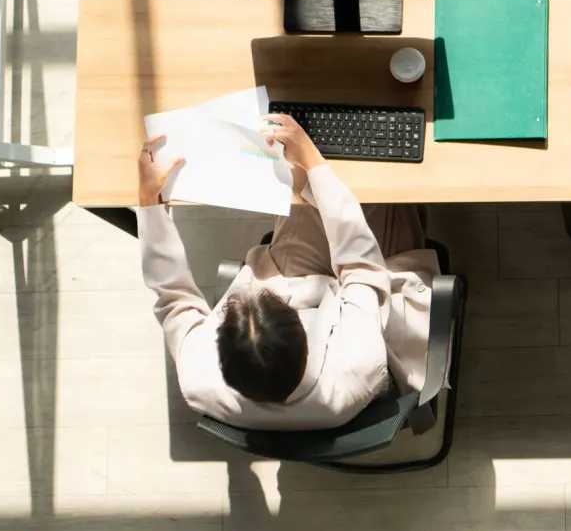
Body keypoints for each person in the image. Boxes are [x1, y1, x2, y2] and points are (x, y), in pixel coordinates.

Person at [136, 114, 437, 429]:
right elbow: (362, 268)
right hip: (370, 320)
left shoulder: (200, 376)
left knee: (303, 190)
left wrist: (149, 202)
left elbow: (172, 296)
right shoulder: (354, 363)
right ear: (301, 329)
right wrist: (312, 159)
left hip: (310, 291)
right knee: (372, 190)